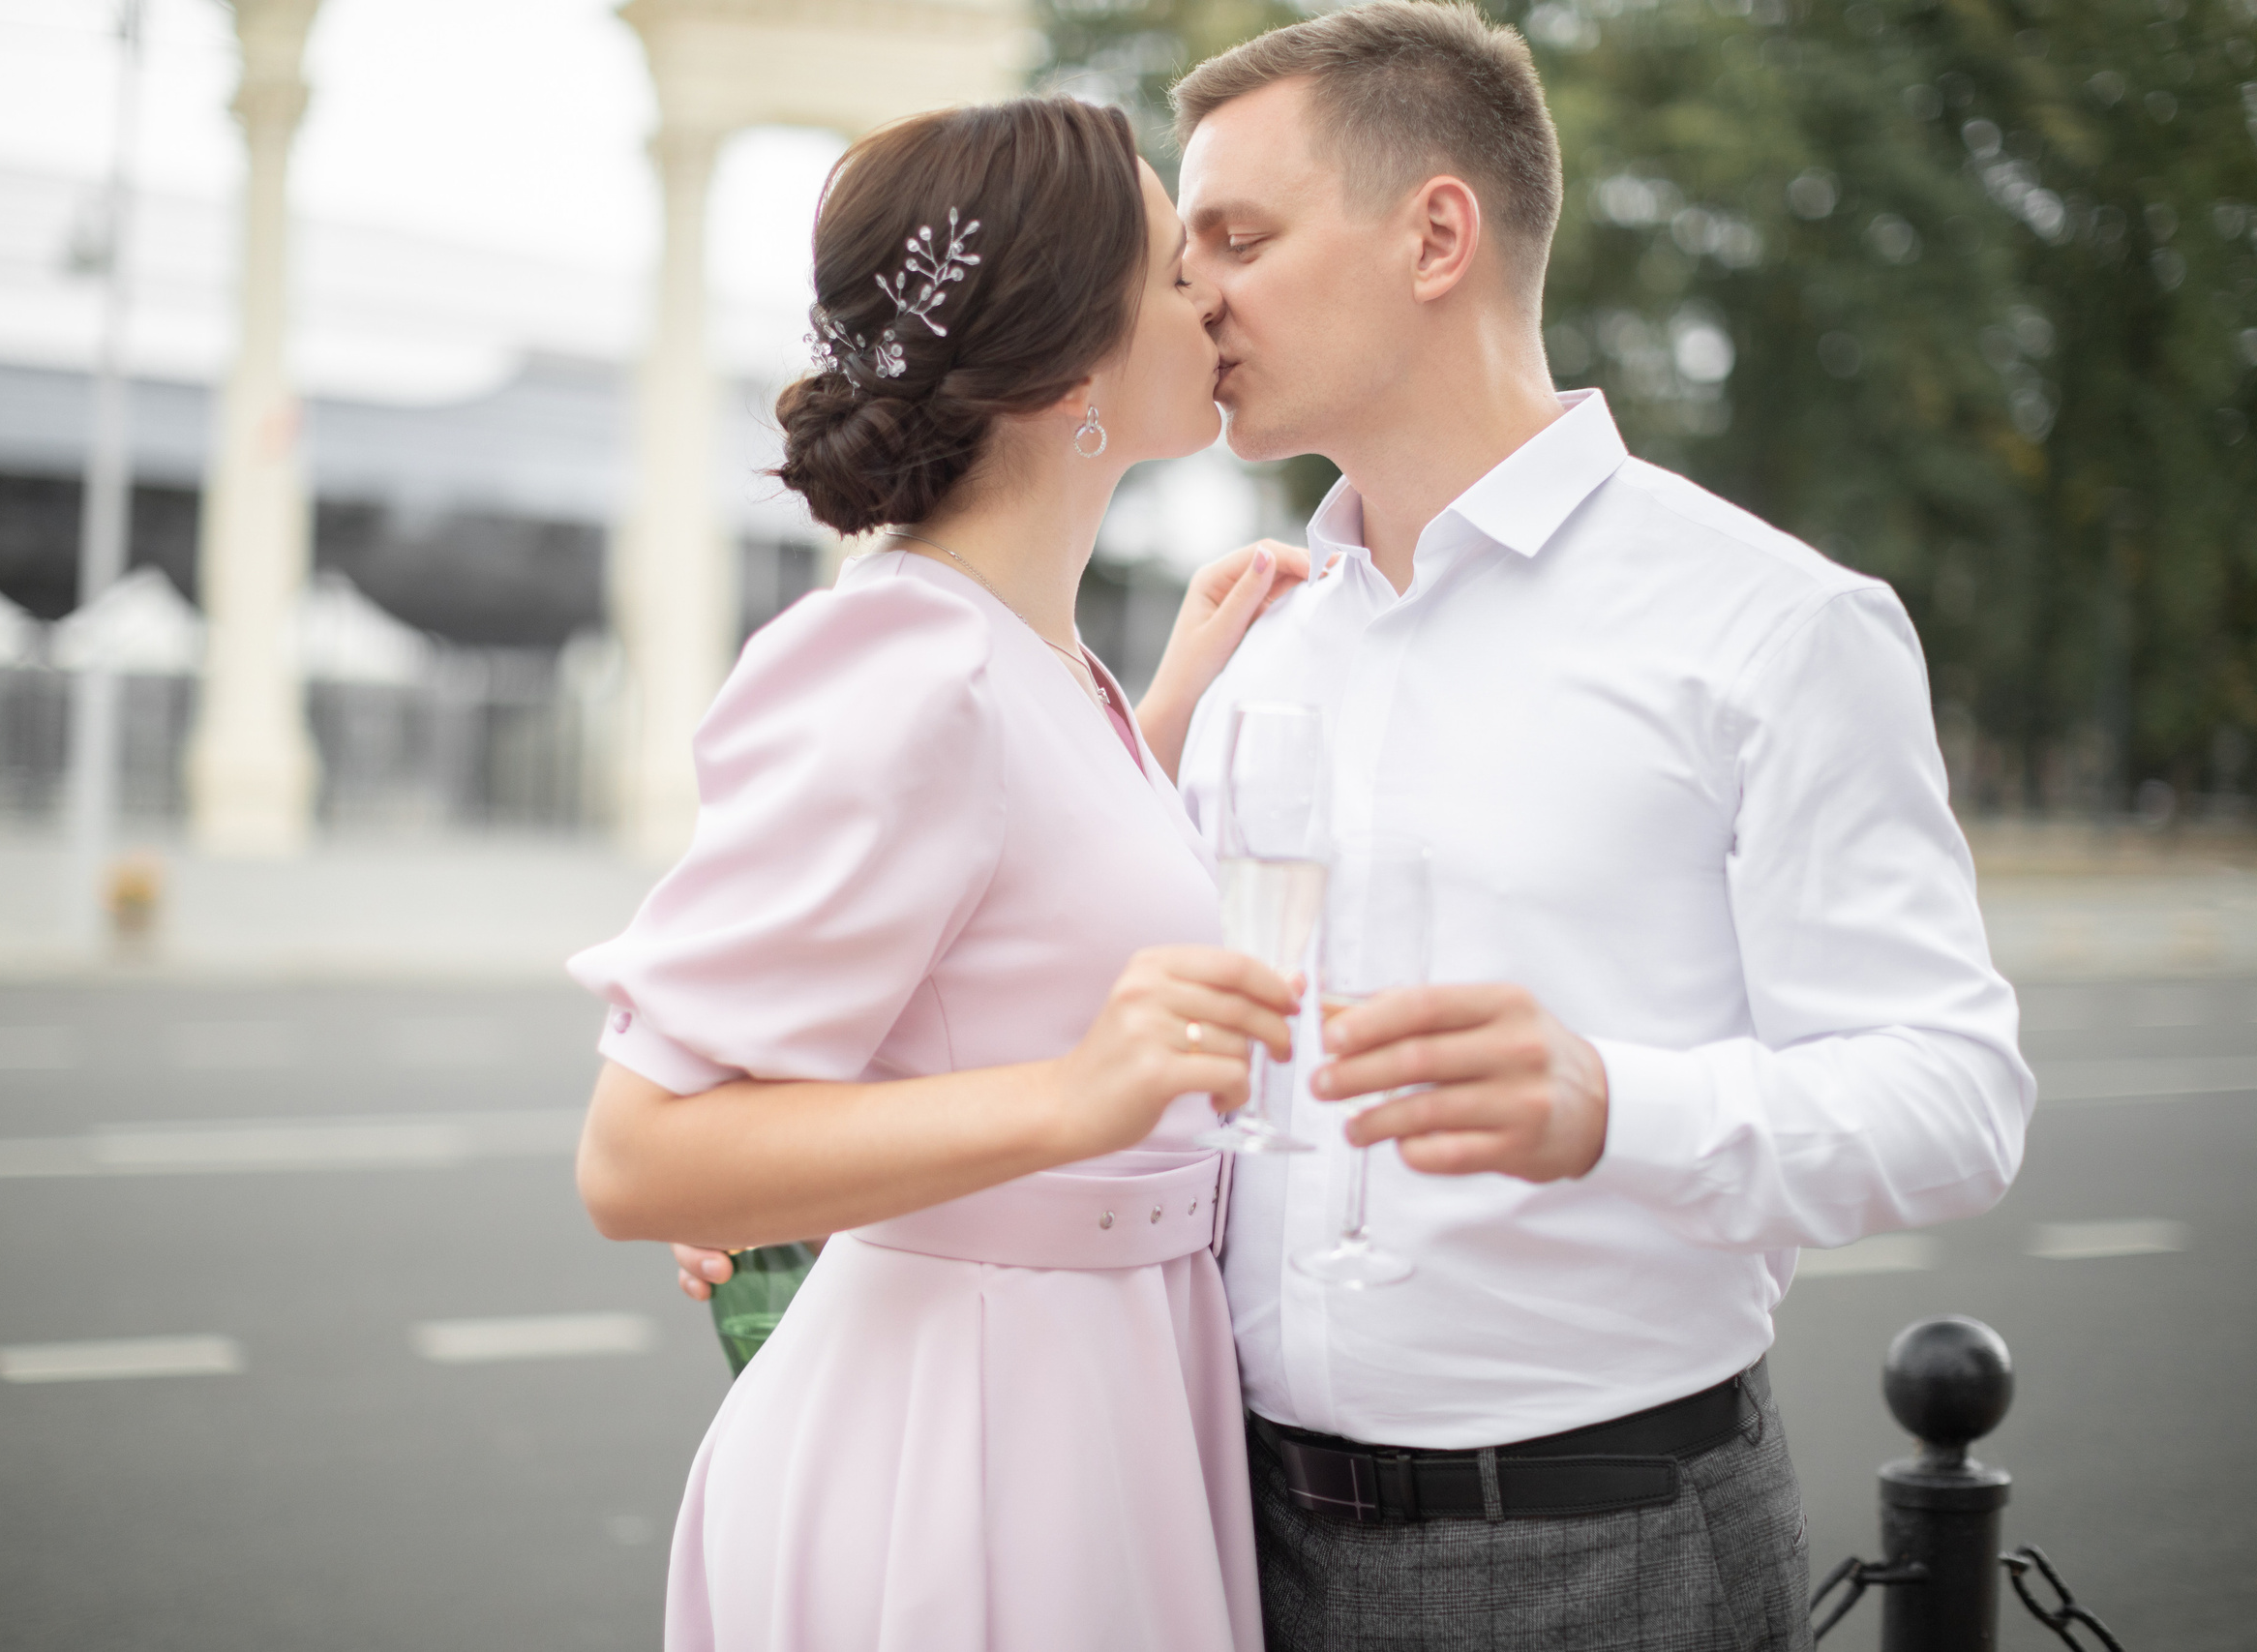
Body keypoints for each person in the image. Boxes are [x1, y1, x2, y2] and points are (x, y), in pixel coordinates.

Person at [1152, 4, 2034, 1648]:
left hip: (1599, 1553)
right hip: (1229, 1532)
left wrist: (1615, 1103)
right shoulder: (1258, 640)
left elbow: (1958, 1099)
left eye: (1239, 236)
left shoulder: (1775, 624)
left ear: (1435, 234)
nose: (1192, 289)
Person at [569, 97, 1305, 1652]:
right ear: (1068, 369)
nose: (1219, 299)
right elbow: (641, 1158)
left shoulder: (1033, 656)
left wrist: (1156, 721)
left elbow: (1004, 913)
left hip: (1086, 1390)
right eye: (1181, 268)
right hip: (968, 1449)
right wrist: (1072, 1102)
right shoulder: (904, 656)